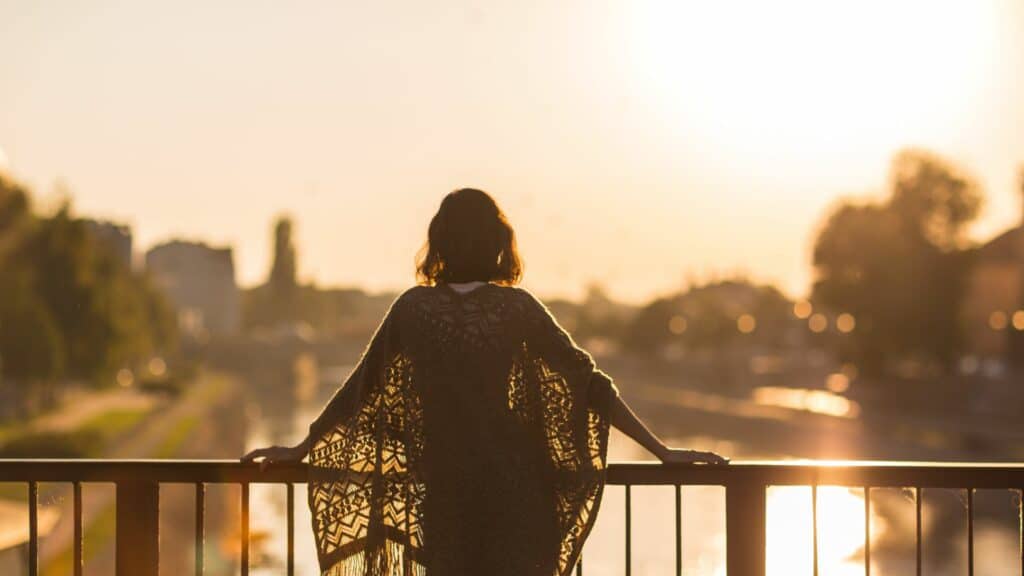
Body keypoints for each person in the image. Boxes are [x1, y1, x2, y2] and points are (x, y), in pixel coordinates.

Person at [242, 188, 728, 576]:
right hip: (518, 499)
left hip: (447, 500)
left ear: (440, 242)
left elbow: (359, 391)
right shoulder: (516, 309)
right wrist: (662, 452)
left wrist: (301, 449)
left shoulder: (414, 309)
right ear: (498, 242)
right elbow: (590, 387)